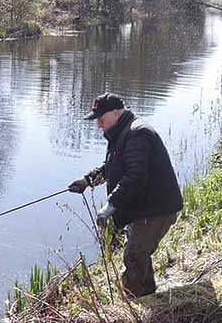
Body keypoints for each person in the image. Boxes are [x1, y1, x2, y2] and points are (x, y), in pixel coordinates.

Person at [68, 93, 183, 297]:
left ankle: (133, 305)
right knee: (138, 255)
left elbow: (135, 176)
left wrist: (110, 204)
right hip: (144, 207)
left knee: (134, 256)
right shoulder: (122, 132)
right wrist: (87, 180)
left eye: (101, 119)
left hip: (157, 209)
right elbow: (114, 166)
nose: (99, 125)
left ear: (115, 112)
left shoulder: (138, 133)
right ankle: (148, 298)